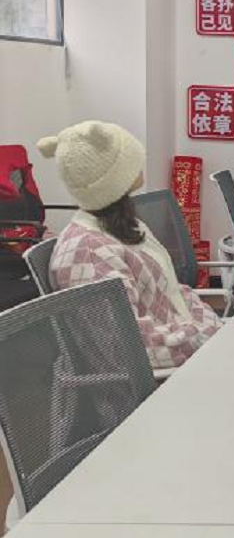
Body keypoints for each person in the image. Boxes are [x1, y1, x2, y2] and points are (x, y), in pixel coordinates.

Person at [40, 121, 222, 370]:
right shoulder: (89, 254)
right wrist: (204, 337)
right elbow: (127, 349)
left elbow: (173, 292)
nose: (140, 163)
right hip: (159, 383)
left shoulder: (122, 225)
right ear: (111, 177)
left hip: (189, 358)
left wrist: (214, 330)